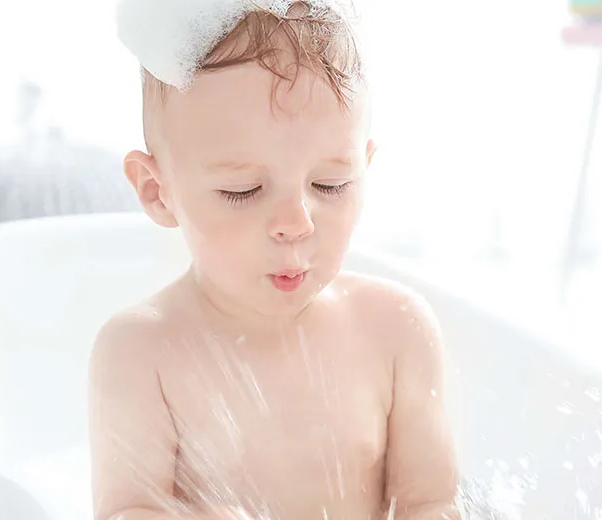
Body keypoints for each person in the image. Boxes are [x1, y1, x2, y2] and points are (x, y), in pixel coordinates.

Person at [90, 2, 460, 519]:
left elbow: (432, 502)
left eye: (330, 184)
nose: (296, 222)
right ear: (159, 191)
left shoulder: (397, 331)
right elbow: (126, 511)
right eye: (243, 190)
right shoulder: (142, 352)